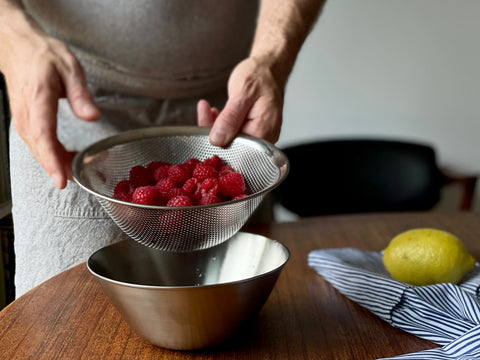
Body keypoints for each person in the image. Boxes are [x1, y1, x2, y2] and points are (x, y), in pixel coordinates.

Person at [0, 0, 325, 297]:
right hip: (68, 103)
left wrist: (271, 59)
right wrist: (13, 38)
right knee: (65, 325)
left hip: (228, 110)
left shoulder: (227, 163)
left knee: (235, 327)